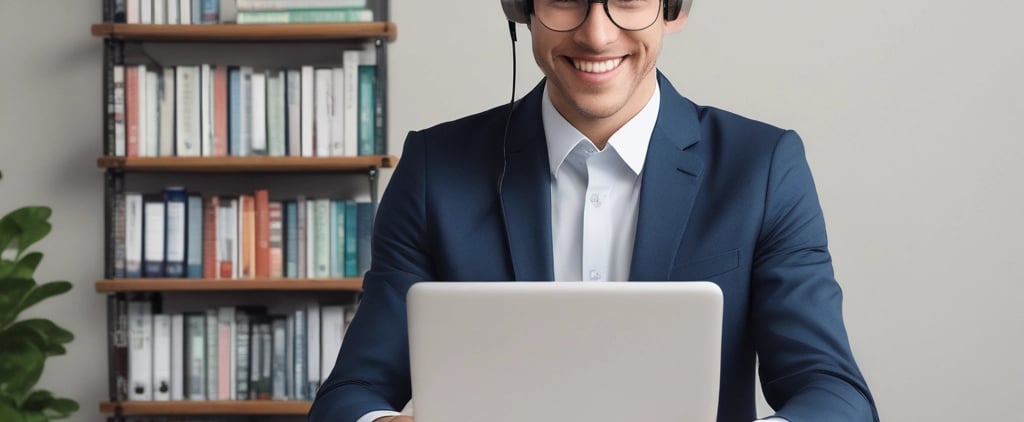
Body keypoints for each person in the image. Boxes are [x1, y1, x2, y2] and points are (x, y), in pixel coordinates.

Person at [310, 0, 878, 421]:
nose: (597, 34)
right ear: (521, 9)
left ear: (673, 9)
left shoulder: (763, 167)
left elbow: (833, 392)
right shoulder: (435, 168)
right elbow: (351, 394)